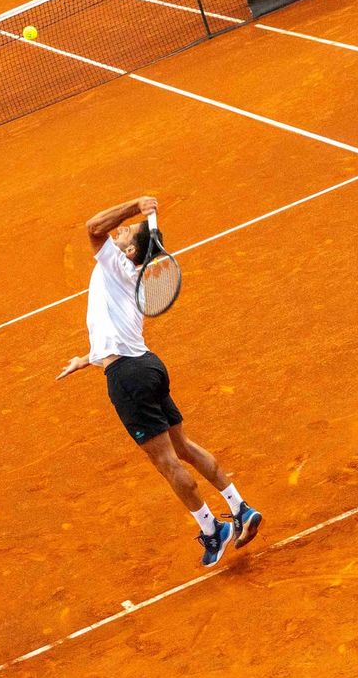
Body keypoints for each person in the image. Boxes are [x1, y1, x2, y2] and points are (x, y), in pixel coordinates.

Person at [56, 195, 262, 567]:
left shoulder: (115, 262)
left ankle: (213, 528)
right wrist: (86, 359)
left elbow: (92, 226)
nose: (118, 232)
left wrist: (139, 206)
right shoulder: (129, 276)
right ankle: (239, 507)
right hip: (147, 366)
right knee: (182, 446)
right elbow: (115, 337)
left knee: (166, 462)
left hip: (128, 378)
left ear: (130, 249)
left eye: (127, 232)